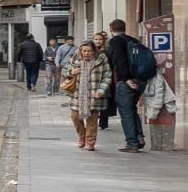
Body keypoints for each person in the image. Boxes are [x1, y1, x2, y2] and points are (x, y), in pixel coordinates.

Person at [105, 19, 151, 153]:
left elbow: (120, 60)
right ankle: (139, 137)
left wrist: (125, 79)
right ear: (124, 28)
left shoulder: (115, 41)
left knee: (126, 112)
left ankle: (132, 143)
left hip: (127, 82)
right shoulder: (134, 40)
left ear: (111, 29)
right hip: (141, 79)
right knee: (131, 109)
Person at [63, 40, 108, 150]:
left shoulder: (101, 59)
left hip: (94, 94)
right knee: (75, 117)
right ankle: (82, 136)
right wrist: (72, 72)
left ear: (94, 50)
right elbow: (64, 71)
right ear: (81, 50)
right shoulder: (75, 57)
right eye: (84, 51)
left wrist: (101, 90)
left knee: (92, 119)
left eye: (89, 51)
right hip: (77, 94)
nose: (87, 53)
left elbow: (107, 75)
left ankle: (90, 141)